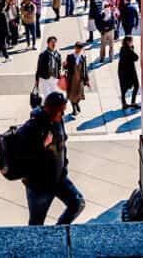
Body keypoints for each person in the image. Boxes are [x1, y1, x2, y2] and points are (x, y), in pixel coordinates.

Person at [19, 92, 86, 225]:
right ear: (50, 109)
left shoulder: (58, 120)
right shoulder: (32, 126)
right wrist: (42, 145)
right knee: (36, 223)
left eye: (63, 111)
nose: (62, 115)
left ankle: (59, 231)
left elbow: (63, 144)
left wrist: (64, 168)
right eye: (60, 111)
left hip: (58, 178)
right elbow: (23, 156)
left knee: (78, 203)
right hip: (39, 186)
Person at [64, 42, 89, 116]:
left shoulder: (83, 57)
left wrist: (86, 79)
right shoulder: (70, 56)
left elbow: (85, 69)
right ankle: (74, 108)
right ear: (75, 48)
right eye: (77, 48)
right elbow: (66, 68)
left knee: (79, 95)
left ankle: (76, 104)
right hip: (71, 79)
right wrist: (64, 65)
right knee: (71, 95)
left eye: (80, 49)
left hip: (80, 79)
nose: (78, 50)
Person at [35, 36, 62, 100]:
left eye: (55, 42)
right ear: (48, 43)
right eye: (52, 42)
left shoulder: (57, 54)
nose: (54, 44)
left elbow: (59, 65)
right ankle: (48, 108)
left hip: (54, 77)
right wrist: (37, 80)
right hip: (45, 78)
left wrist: (59, 73)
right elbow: (39, 67)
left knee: (55, 94)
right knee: (47, 95)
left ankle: (53, 108)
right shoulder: (43, 54)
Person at [118, 35, 140, 109]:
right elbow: (136, 57)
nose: (132, 42)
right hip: (129, 71)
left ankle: (124, 103)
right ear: (128, 41)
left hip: (122, 70)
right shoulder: (129, 49)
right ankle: (133, 102)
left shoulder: (122, 48)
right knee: (136, 85)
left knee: (123, 87)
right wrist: (131, 49)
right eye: (131, 41)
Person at [98, 0, 116, 64]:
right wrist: (102, 29)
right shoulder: (101, 14)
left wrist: (108, 28)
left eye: (108, 6)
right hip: (104, 32)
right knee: (103, 45)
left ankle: (111, 58)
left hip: (111, 31)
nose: (107, 7)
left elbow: (113, 23)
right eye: (106, 6)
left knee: (111, 45)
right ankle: (102, 58)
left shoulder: (111, 14)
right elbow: (99, 23)